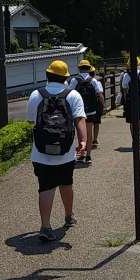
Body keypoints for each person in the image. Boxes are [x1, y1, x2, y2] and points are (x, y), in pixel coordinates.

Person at [27, 59, 86, 241]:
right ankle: (69, 217)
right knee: (66, 184)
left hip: (40, 152)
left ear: (47, 75)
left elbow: (31, 121)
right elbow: (79, 119)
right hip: (66, 153)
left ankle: (45, 227)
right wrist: (83, 141)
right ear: (65, 78)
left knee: (45, 188)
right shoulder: (73, 95)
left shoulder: (36, 95)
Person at [69, 58, 104, 165]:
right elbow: (100, 95)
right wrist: (101, 107)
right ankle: (88, 156)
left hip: (78, 112)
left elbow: (69, 94)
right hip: (91, 111)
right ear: (89, 68)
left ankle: (81, 154)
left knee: (80, 133)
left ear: (79, 68)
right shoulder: (93, 80)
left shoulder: (74, 80)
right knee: (89, 133)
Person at [122, 61, 140, 147]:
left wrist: (126, 101)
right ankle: (139, 134)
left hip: (130, 100)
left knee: (132, 120)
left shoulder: (126, 75)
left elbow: (125, 89)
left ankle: (134, 139)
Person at [89, 65, 105, 148]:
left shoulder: (82, 81)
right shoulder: (96, 82)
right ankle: (95, 139)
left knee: (88, 123)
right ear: (94, 73)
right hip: (96, 105)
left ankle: (88, 139)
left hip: (86, 105)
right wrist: (103, 105)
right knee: (96, 123)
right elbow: (100, 95)